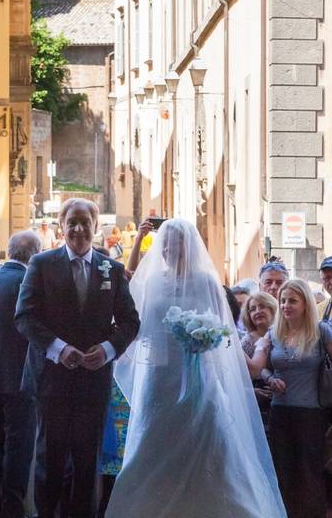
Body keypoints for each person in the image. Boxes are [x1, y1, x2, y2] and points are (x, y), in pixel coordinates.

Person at [105, 219, 285, 517]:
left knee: (205, 436)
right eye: (164, 246)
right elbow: (141, 326)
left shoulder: (206, 281)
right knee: (156, 438)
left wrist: (203, 336)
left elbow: (222, 328)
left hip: (199, 371)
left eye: (174, 245)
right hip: (160, 375)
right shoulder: (152, 282)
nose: (168, 250)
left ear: (187, 247)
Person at [15, 198, 140, 518]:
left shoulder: (110, 268)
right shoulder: (41, 265)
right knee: (50, 459)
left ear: (96, 227)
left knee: (87, 462)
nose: (79, 228)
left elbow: (130, 321)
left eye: (86, 222)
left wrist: (107, 349)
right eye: (73, 222)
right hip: (51, 380)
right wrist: (58, 348)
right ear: (62, 225)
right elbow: (25, 317)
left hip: (92, 382)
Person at [246, 279, 332, 517]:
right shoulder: (274, 334)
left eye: (292, 300)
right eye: (283, 301)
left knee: (310, 474)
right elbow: (255, 368)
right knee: (283, 472)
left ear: (305, 303)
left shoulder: (321, 331)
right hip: (281, 413)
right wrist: (269, 377)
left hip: (311, 414)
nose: (285, 305)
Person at [0, 232, 41, 518]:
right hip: (21, 380)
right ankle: (11, 509)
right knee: (18, 449)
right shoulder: (28, 282)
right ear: (35, 254)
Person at [240, 291, 278, 359]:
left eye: (262, 307)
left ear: (272, 309)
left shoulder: (283, 334)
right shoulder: (247, 342)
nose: (257, 311)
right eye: (253, 309)